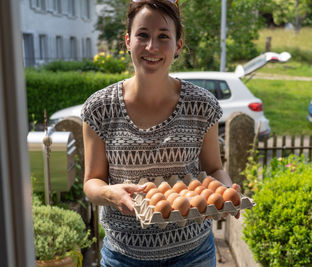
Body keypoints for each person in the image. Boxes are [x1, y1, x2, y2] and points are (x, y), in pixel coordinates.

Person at [81, 0, 240, 266]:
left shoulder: (201, 105)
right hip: (124, 256)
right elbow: (91, 183)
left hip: (193, 254)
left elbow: (214, 169)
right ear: (128, 41)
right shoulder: (100, 108)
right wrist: (111, 194)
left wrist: (224, 191)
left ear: (178, 45)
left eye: (163, 36)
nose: (152, 47)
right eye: (142, 35)